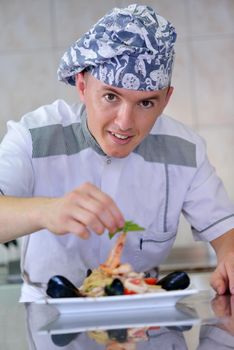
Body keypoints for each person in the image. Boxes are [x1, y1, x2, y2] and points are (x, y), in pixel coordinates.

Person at [0, 4, 233, 301]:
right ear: (82, 85)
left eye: (146, 103)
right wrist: (46, 210)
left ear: (165, 100)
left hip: (143, 316)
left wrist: (230, 254)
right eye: (111, 96)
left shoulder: (185, 150)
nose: (125, 123)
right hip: (53, 319)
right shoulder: (33, 137)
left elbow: (226, 231)